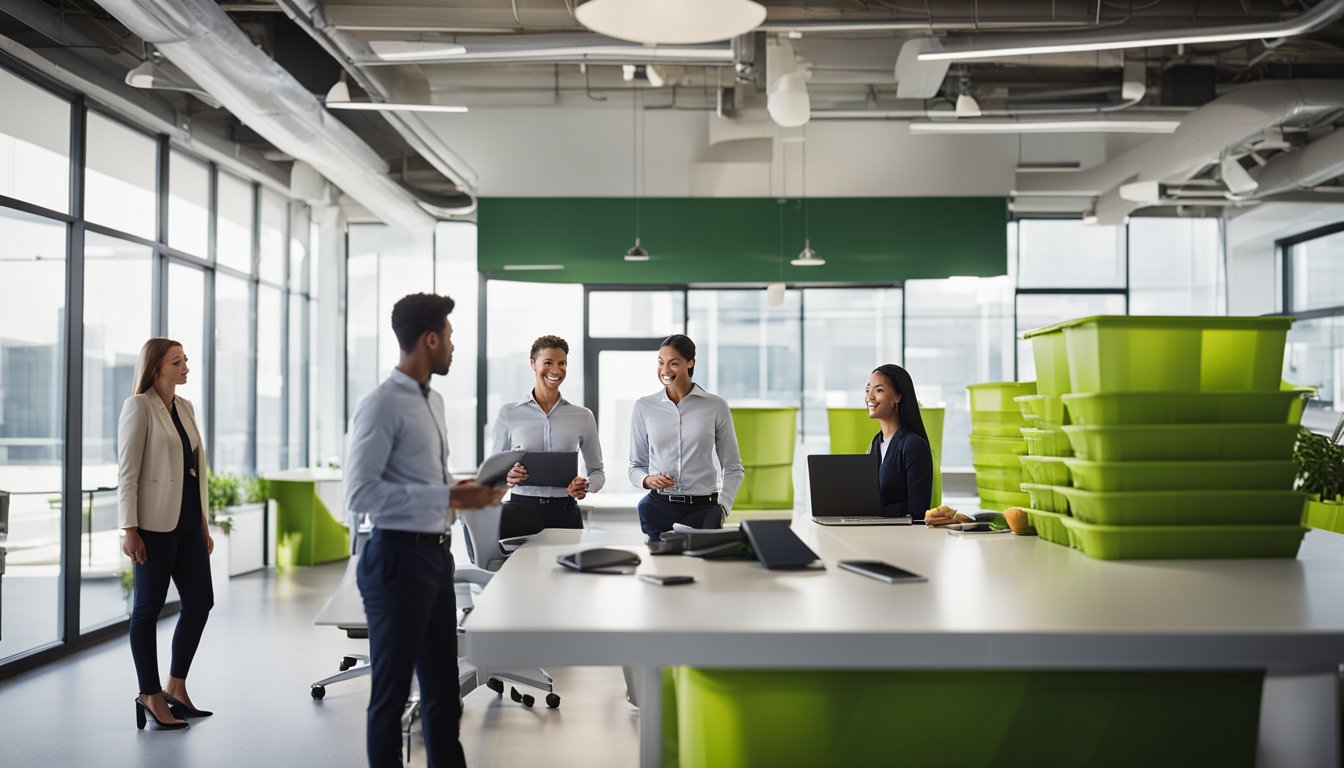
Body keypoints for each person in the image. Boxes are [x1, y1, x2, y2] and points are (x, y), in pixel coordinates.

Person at [345, 293, 507, 768]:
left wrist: (465, 488)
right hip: (395, 559)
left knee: (442, 691)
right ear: (430, 339)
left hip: (437, 556)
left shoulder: (432, 400)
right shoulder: (380, 406)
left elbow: (426, 481)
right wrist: (449, 497)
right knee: (391, 699)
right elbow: (359, 495)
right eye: (450, 337)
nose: (454, 347)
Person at [118, 338, 214, 731]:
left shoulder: (186, 407)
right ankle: (150, 693)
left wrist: (204, 524)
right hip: (153, 528)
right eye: (177, 362)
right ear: (156, 368)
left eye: (186, 360)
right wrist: (130, 529)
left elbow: (196, 472)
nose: (186, 366)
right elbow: (127, 472)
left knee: (200, 602)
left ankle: (176, 685)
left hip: (189, 524)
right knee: (147, 610)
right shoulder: (138, 407)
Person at [628, 334, 745, 543]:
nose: (665, 370)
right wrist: (647, 480)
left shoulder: (716, 406)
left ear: (690, 363)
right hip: (658, 508)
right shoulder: (644, 406)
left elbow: (734, 467)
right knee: (662, 572)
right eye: (661, 362)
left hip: (703, 510)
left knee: (703, 572)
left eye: (674, 363)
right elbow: (635, 467)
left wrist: (723, 507)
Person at [494, 335, 605, 529]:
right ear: (533, 364)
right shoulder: (509, 413)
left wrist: (586, 484)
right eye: (548, 362)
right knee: (522, 561)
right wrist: (507, 475)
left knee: (563, 561)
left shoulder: (583, 416)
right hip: (520, 510)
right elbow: (494, 470)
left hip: (565, 511)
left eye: (562, 363)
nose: (556, 370)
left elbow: (597, 472)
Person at [865, 363, 934, 521]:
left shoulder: (913, 445)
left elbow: (917, 510)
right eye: (868, 390)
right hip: (873, 532)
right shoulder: (875, 443)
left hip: (902, 537)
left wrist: (878, 512)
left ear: (898, 397)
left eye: (879, 390)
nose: (869, 397)